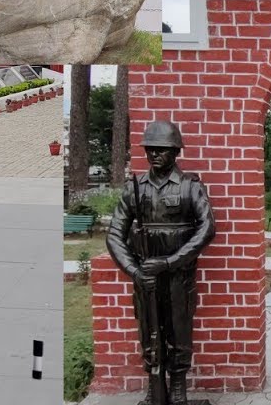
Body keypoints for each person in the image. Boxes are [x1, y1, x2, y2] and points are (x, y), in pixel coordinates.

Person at [107, 120, 216, 405]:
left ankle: (178, 388)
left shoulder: (190, 186)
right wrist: (134, 271)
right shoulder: (135, 189)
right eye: (150, 149)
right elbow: (115, 235)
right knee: (149, 332)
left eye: (162, 150)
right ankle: (154, 386)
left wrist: (170, 262)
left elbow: (207, 229)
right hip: (146, 277)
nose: (154, 154)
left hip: (179, 276)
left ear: (175, 152)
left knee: (179, 332)